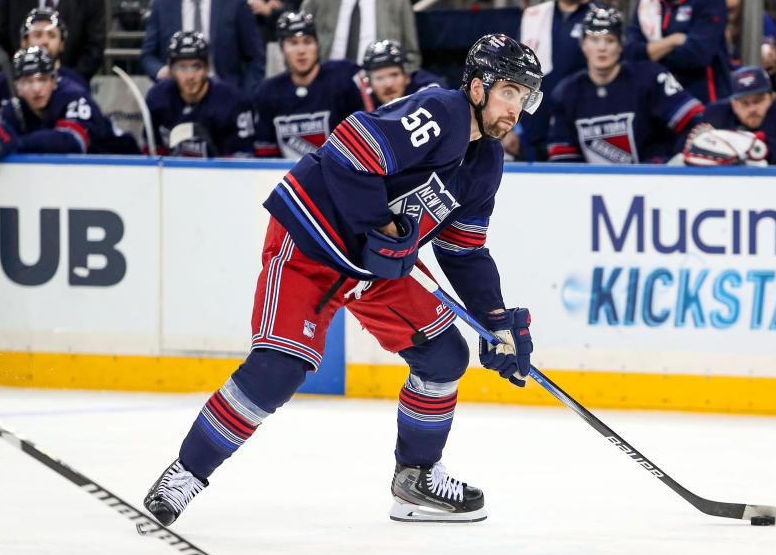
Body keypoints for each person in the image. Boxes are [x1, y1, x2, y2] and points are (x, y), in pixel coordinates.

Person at [142, 33, 543, 526]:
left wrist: (497, 321)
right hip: (311, 243)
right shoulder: (442, 112)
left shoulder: (487, 163)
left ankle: (415, 479)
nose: (515, 110)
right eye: (509, 92)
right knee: (277, 369)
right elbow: (348, 151)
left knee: (444, 356)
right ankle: (185, 474)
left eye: (524, 98)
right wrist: (382, 224)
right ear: (478, 87)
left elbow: (463, 251)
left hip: (370, 268)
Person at [546, 6, 704, 164]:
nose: (602, 48)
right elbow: (563, 158)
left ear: (620, 45)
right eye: (594, 39)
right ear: (583, 45)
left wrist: (672, 162)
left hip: (654, 181)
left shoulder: (650, 77)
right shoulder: (567, 92)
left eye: (610, 40)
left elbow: (695, 122)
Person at [0, 47, 139, 178]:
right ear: (17, 88)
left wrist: (18, 142)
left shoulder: (73, 95)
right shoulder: (12, 108)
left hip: (126, 166)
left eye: (42, 80)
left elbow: (71, 142)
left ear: (54, 81)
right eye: (28, 82)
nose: (36, 89)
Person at [252, 12, 364, 159]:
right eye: (293, 43)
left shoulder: (344, 78)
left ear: (317, 45)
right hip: (289, 178)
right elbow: (266, 155)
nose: (301, 51)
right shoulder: (268, 91)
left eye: (307, 41)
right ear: (282, 48)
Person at [517, 0, 598, 160]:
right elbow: (515, 72)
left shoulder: (600, 19)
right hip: (533, 129)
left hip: (581, 135)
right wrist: (513, 127)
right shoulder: (535, 16)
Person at [141, 0, 266, 95]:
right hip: (176, 98)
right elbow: (148, 56)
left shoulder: (236, 1)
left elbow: (255, 57)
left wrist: (245, 96)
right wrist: (163, 72)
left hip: (226, 98)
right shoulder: (161, 4)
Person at [145, 31, 255, 158]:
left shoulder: (233, 102)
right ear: (171, 70)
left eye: (196, 67)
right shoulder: (157, 98)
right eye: (182, 67)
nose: (190, 76)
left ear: (207, 68)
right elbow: (152, 154)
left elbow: (241, 162)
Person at [624, 0, 731, 104]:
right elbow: (631, 54)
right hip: (657, 99)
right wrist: (673, 41)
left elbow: (699, 54)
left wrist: (651, 55)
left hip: (702, 100)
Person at [694, 65, 776, 166]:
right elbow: (693, 151)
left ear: (772, 97)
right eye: (744, 103)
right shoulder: (715, 114)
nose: (752, 109)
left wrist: (754, 144)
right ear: (733, 104)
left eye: (758, 101)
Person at [0, 7, 87, 123]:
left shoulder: (75, 82)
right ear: (24, 42)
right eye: (38, 35)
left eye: (52, 35)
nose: (45, 41)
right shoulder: (2, 82)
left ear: (62, 43)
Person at [0, 0, 105, 79]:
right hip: (16, 90)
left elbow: (94, 50)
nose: (44, 40)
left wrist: (65, 83)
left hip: (72, 90)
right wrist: (18, 78)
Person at [300, 0, 420, 71]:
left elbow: (411, 55)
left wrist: (393, 80)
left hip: (378, 84)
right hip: (326, 79)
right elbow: (298, 43)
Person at [360, 39, 443, 110]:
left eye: (394, 75)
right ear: (369, 84)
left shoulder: (428, 87)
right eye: (379, 78)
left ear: (407, 76)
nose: (388, 84)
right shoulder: (363, 107)